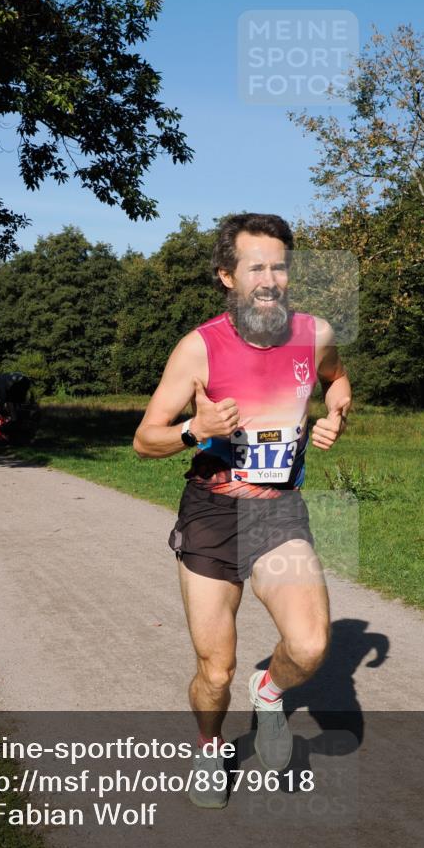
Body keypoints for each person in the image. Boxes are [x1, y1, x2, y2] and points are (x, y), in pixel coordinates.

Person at [133, 213, 351, 809]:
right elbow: (144, 438)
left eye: (279, 265)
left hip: (278, 511)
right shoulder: (199, 349)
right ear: (227, 276)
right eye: (256, 266)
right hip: (211, 513)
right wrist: (193, 430)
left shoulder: (314, 332)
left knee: (308, 646)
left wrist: (336, 412)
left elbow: (336, 380)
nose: (270, 278)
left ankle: (271, 691)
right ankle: (209, 745)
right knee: (215, 670)